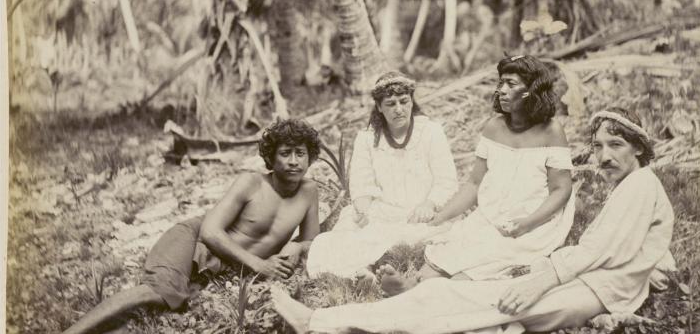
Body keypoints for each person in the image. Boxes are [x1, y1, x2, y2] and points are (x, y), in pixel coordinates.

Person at [271, 107, 675, 334]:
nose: (604, 156)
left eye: (616, 145)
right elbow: (639, 245)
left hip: (586, 291)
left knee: (453, 301)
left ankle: (321, 323)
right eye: (599, 146)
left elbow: (598, 249)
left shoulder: (640, 184)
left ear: (640, 149)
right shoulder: (639, 187)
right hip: (592, 288)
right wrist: (649, 271)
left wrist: (543, 278)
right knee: (470, 310)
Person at [63, 119, 323, 334]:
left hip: (220, 264)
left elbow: (312, 240)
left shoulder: (309, 192)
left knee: (169, 306)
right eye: (285, 153)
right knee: (157, 293)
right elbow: (210, 232)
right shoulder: (252, 183)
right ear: (271, 157)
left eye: (300, 153)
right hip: (193, 239)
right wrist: (258, 265)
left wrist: (298, 247)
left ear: (309, 157)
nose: (293, 161)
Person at [378, 54, 574, 294]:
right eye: (500, 83)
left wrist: (526, 223)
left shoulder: (551, 131)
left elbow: (561, 189)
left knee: (486, 259)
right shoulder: (495, 127)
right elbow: (474, 184)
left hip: (533, 218)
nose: (501, 90)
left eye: (510, 84)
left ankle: (425, 293)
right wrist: (440, 218)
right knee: (456, 245)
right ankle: (414, 285)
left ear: (531, 90)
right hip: (494, 213)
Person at [305, 71, 459, 278]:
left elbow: (446, 180)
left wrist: (429, 204)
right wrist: (363, 211)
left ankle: (370, 264)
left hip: (421, 213)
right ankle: (360, 271)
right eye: (390, 104)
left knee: (428, 234)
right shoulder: (367, 139)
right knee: (347, 230)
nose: (398, 109)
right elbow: (361, 183)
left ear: (412, 102)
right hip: (383, 212)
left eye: (404, 101)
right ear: (379, 107)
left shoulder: (431, 132)